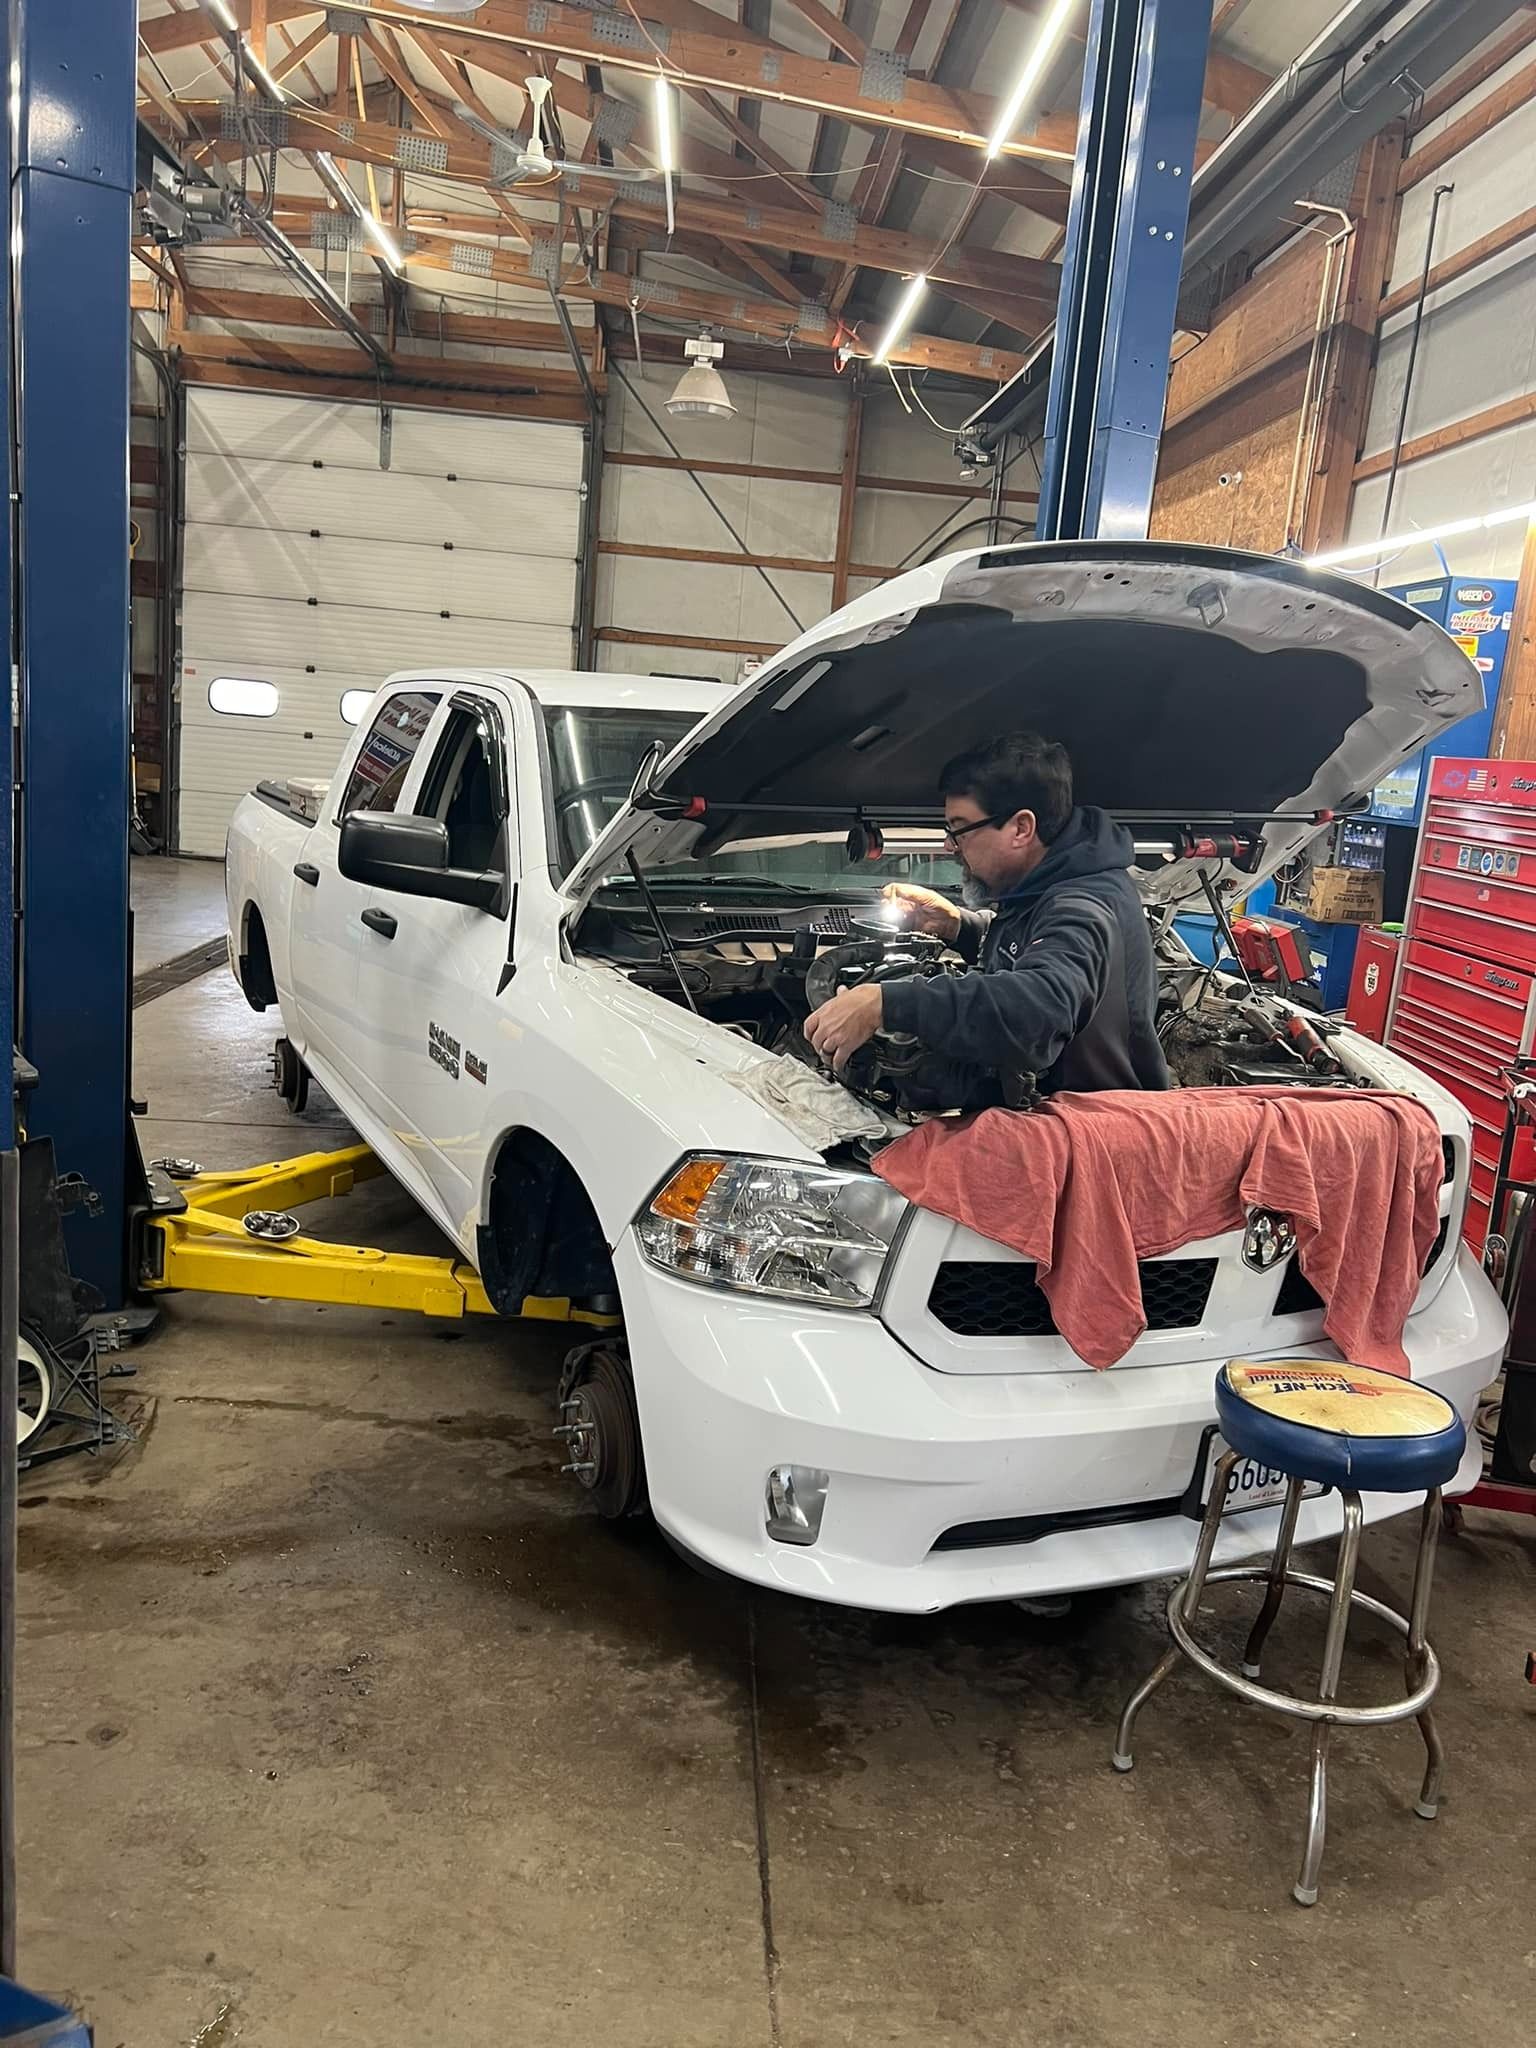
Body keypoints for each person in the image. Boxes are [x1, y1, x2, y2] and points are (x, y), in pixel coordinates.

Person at [804, 730, 1169, 1101]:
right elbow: (1038, 948)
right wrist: (958, 927)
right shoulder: (1052, 882)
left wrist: (887, 1003)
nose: (950, 845)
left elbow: (1039, 1010)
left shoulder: (1083, 904)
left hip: (1092, 1133)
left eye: (960, 829)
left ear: (1021, 828)